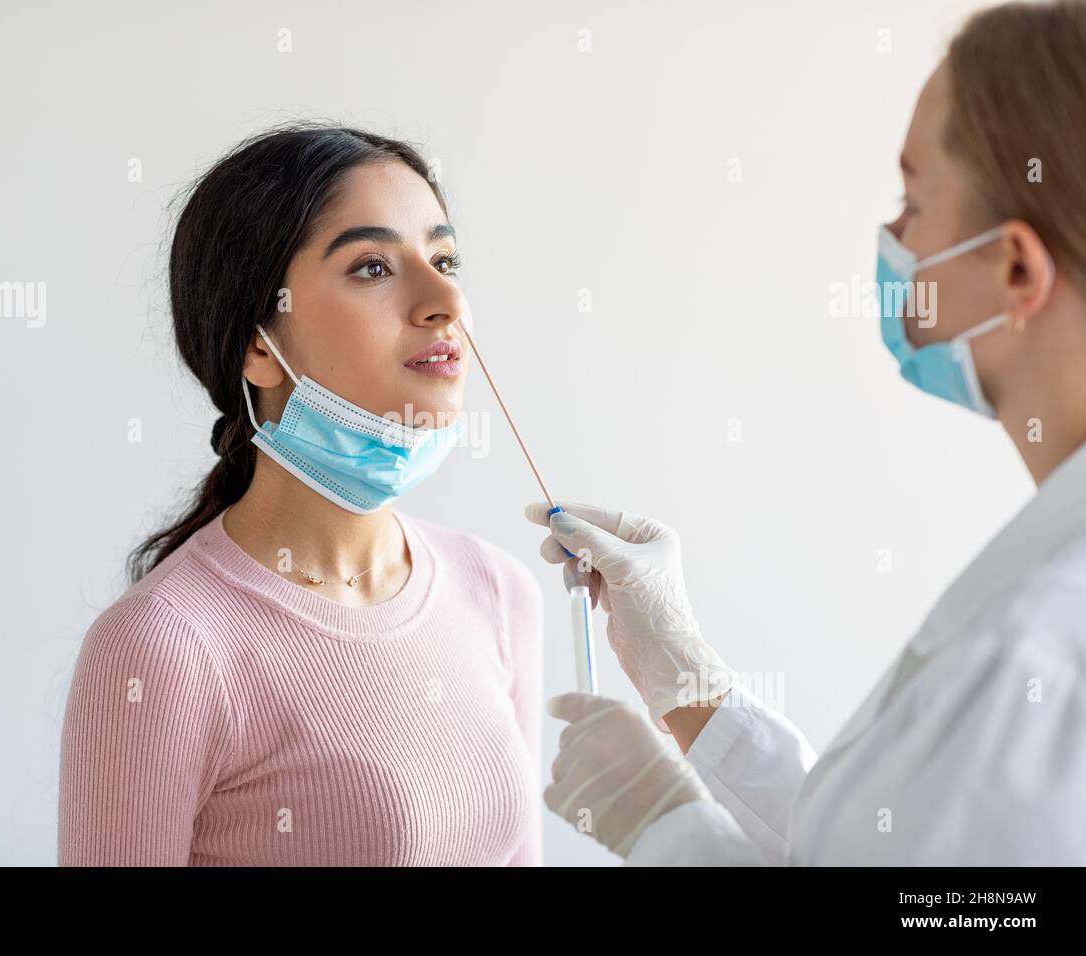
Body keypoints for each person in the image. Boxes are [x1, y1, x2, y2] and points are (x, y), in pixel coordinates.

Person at [528, 0, 1086, 865]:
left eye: (914, 198)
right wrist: (689, 681)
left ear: (1016, 267)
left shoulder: (1048, 644)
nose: (892, 237)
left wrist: (667, 825)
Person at [59, 123, 543, 866]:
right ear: (258, 345)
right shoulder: (163, 647)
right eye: (374, 267)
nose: (446, 298)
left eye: (445, 259)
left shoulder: (500, 592)